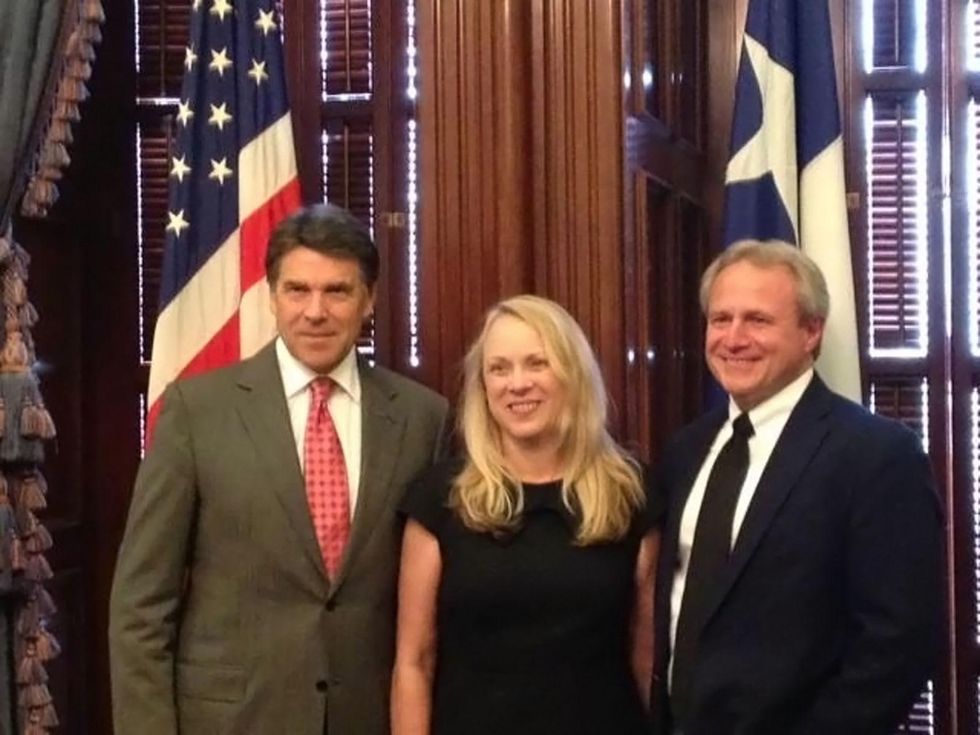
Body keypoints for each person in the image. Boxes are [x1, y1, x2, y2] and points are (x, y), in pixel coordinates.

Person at [109, 203, 449, 735]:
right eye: (297, 290)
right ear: (271, 296)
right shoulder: (197, 412)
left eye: (337, 291)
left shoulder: (423, 419)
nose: (316, 311)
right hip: (232, 720)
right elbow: (140, 605)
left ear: (370, 300)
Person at [650, 240, 944, 735]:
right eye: (720, 319)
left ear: (812, 332)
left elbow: (898, 645)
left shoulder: (877, 456)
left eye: (758, 320)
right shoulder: (685, 451)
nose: (733, 338)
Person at [391, 294, 661, 735]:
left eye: (537, 363)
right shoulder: (441, 497)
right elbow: (414, 662)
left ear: (572, 374)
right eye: (499, 368)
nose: (517, 384)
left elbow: (646, 655)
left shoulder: (631, 494)